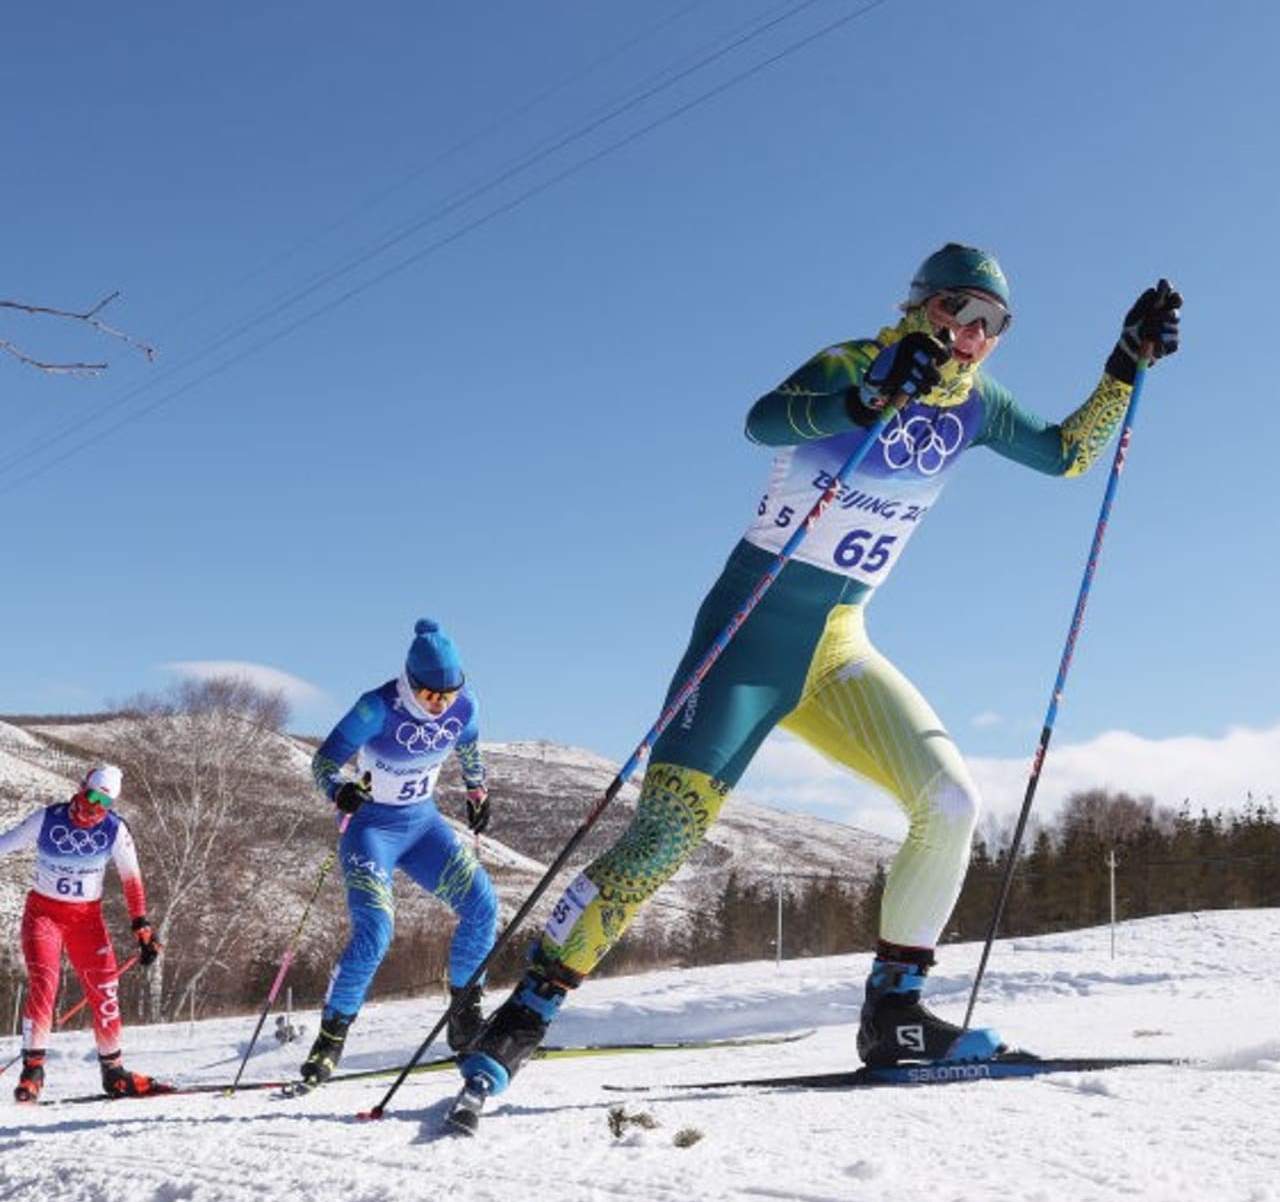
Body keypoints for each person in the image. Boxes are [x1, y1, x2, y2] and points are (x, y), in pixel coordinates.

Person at [460, 244, 1182, 1100]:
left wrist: (1122, 364)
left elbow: (1066, 455)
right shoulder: (853, 360)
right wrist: (866, 398)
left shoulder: (977, 405)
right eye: (960, 309)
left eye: (994, 323)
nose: (974, 334)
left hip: (839, 646)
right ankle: (525, 1015)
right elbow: (762, 422)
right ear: (920, 305)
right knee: (664, 836)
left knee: (950, 801)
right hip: (745, 643)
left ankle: (896, 1016)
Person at [301, 617, 500, 1086]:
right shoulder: (376, 708)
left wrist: (478, 793)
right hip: (371, 829)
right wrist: (338, 791)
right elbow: (323, 761)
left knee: (482, 905)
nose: (440, 706)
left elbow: (469, 747)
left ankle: (465, 1016)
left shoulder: (463, 706)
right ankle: (330, 1038)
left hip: (422, 825)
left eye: (448, 695)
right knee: (376, 931)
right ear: (411, 682)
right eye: (431, 696)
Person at [0, 763, 164, 1102]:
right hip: (43, 915)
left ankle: (114, 1072)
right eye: (90, 795)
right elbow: (7, 843)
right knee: (45, 982)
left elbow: (131, 880)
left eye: (104, 802)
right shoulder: (48, 818)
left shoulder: (115, 830)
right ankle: (32, 1071)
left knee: (105, 989)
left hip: (86, 920)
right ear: (80, 787)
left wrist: (141, 926)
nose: (93, 806)